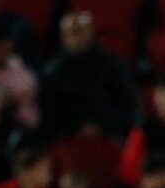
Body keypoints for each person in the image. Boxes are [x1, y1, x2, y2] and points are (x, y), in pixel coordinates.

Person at [40, 11, 138, 141]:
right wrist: (74, 130)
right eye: (70, 33)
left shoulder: (113, 66)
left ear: (91, 32)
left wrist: (104, 129)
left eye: (80, 31)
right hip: (67, 140)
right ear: (62, 37)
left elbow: (127, 105)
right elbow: (48, 113)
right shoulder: (53, 71)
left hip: (110, 136)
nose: (75, 38)